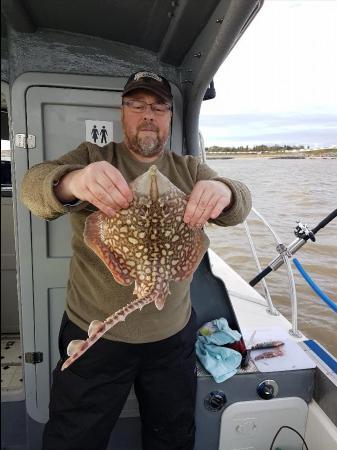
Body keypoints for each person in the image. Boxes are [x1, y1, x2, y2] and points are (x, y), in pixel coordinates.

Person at [21, 70, 252, 450]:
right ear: (122, 113)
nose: (148, 114)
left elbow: (239, 204)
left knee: (172, 435)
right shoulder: (93, 157)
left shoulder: (190, 169)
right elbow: (33, 188)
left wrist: (225, 190)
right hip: (96, 334)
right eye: (137, 105)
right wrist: (72, 182)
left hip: (172, 336)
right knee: (74, 437)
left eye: (159, 107)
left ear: (170, 117)